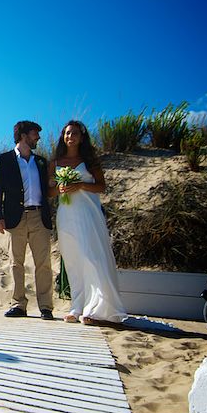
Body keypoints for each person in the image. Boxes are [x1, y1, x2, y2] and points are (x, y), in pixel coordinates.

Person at [49, 120, 128, 325]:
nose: (70, 136)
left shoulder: (90, 160)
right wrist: (60, 189)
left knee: (92, 257)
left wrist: (80, 185)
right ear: (63, 136)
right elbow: (48, 191)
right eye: (67, 133)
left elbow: (102, 186)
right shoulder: (56, 162)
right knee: (73, 260)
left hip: (88, 214)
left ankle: (99, 309)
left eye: (74, 133)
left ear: (81, 137)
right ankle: (77, 307)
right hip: (66, 216)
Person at [0, 121, 54, 320]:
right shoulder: (4, 159)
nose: (38, 138)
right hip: (14, 217)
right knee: (15, 263)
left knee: (43, 262)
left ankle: (46, 307)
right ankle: (18, 304)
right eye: (35, 134)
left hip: (39, 216)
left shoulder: (41, 162)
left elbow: (47, 189)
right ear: (23, 135)